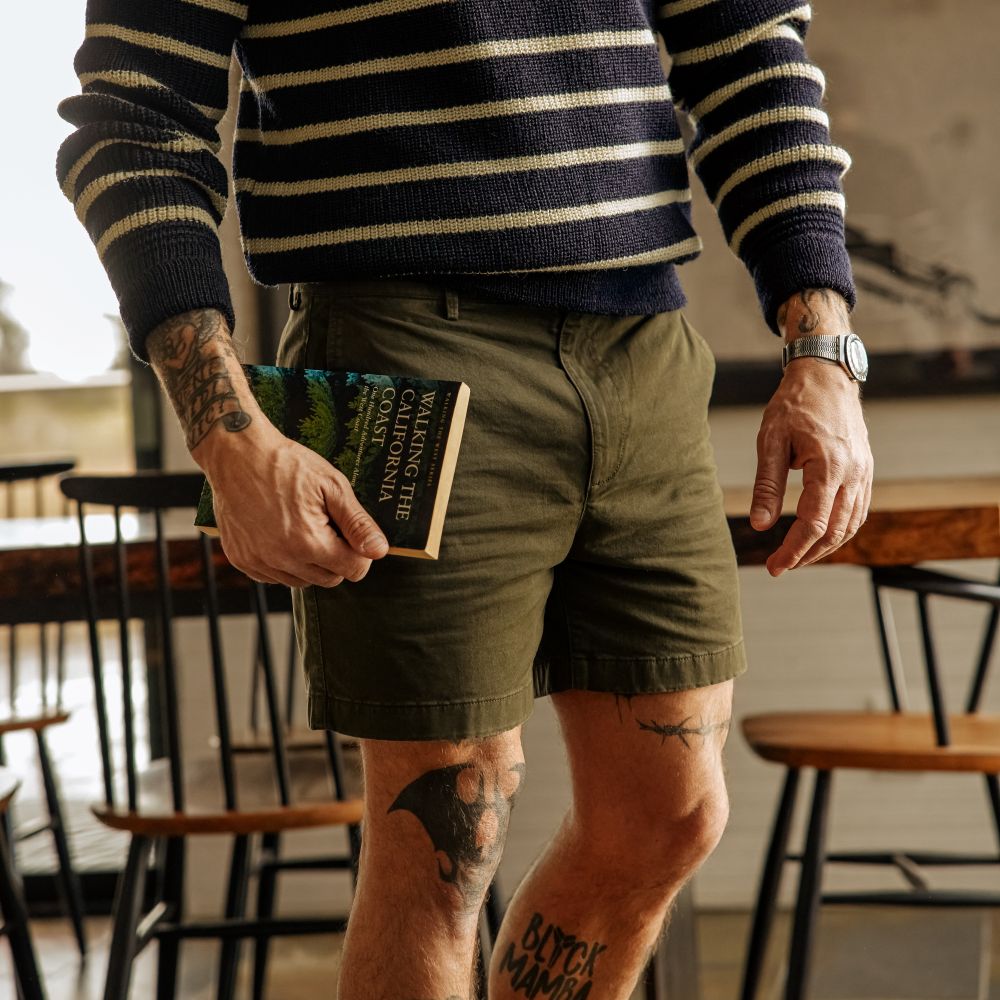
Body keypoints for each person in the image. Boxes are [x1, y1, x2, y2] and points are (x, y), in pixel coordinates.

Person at [57, 1, 873, 996]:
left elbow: (751, 56)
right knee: (443, 849)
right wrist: (224, 433)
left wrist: (823, 349)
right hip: (404, 342)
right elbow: (135, 118)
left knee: (671, 816)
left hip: (643, 340)